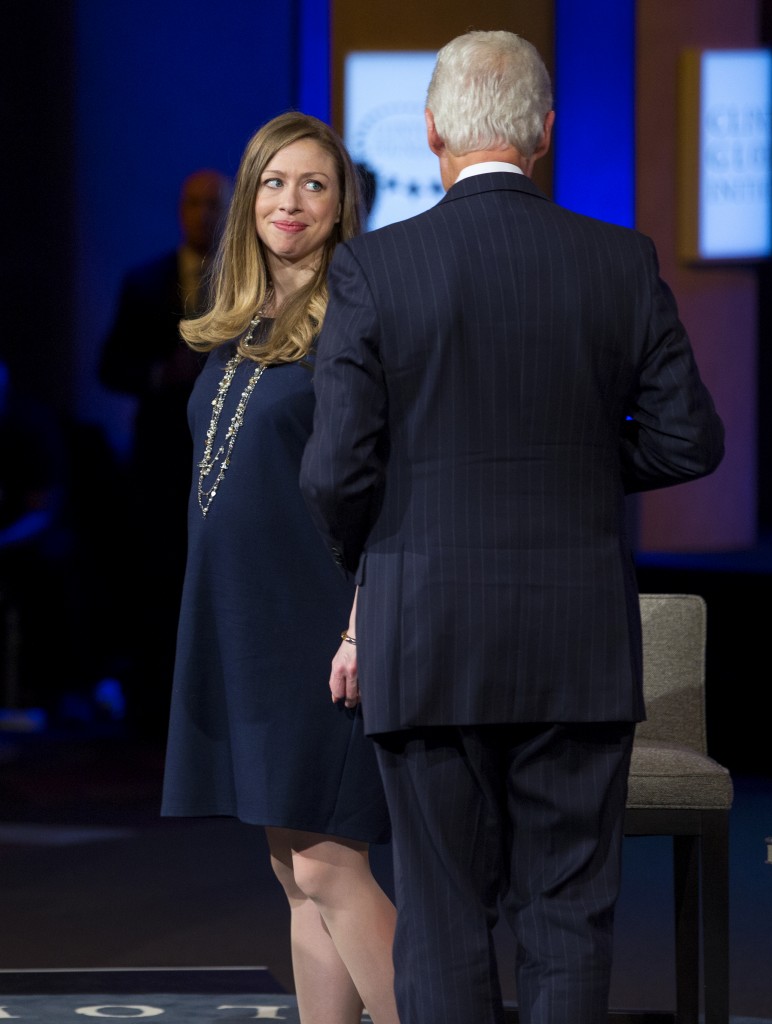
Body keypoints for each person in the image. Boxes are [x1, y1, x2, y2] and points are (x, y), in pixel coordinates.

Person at [300, 30, 725, 1024]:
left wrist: (377, 551)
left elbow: (333, 471)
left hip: (426, 634)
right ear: (543, 133)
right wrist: (580, 468)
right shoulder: (621, 261)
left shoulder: (374, 271)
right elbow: (689, 439)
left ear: (434, 129)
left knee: (444, 919)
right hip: (577, 642)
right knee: (569, 914)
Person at [161, 113, 399, 1024]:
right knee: (292, 873)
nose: (289, 202)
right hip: (245, 626)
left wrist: (360, 625)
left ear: (343, 207)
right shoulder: (243, 324)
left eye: (313, 185)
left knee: (330, 867)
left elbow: (387, 488)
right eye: (272, 182)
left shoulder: (356, 324)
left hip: (320, 629)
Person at [99, 169, 232, 734]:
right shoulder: (144, 281)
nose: (202, 214)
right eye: (193, 203)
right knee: (158, 576)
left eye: (213, 204)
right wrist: (160, 374)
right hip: (160, 456)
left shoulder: (244, 280)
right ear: (181, 209)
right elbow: (109, 366)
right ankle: (157, 706)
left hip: (224, 454)